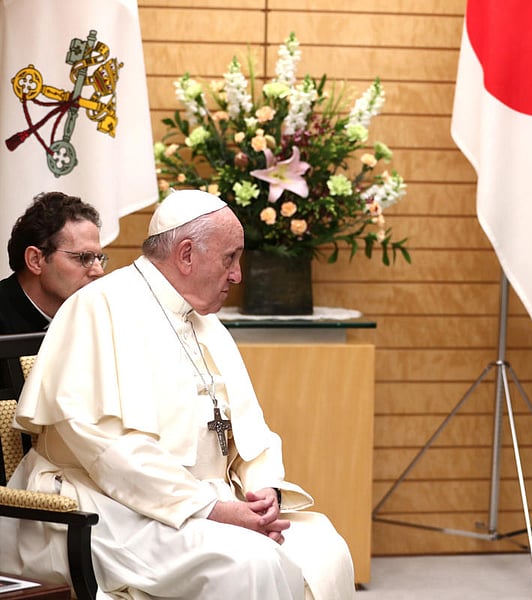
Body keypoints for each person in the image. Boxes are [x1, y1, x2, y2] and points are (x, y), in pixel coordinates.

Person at [0, 190, 355, 599]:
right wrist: (213, 510)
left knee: (325, 549)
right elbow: (105, 450)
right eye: (230, 258)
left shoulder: (205, 322)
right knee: (247, 563)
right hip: (105, 505)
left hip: (205, 502)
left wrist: (264, 493)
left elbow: (250, 431)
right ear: (186, 255)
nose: (238, 275)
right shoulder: (97, 308)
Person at [0, 191, 105, 334]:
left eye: (99, 258)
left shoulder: (96, 317)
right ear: (35, 260)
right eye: (84, 257)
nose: (99, 271)